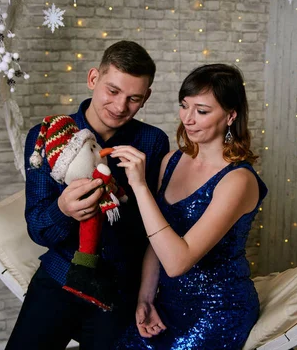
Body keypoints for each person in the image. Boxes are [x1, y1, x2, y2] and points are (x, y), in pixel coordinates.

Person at [6, 41, 170, 350]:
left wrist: (139, 187)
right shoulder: (47, 134)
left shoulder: (152, 142)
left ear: (145, 98)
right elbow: (38, 229)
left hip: (119, 290)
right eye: (112, 91)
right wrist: (63, 210)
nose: (120, 106)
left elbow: (153, 233)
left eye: (133, 98)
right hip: (58, 277)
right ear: (93, 79)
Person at [112, 64, 267, 349]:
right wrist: (145, 299)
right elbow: (157, 240)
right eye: (184, 106)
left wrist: (140, 187)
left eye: (202, 111)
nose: (188, 119)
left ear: (230, 116)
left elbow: (177, 263)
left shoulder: (238, 180)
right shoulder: (171, 161)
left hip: (217, 311)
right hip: (167, 303)